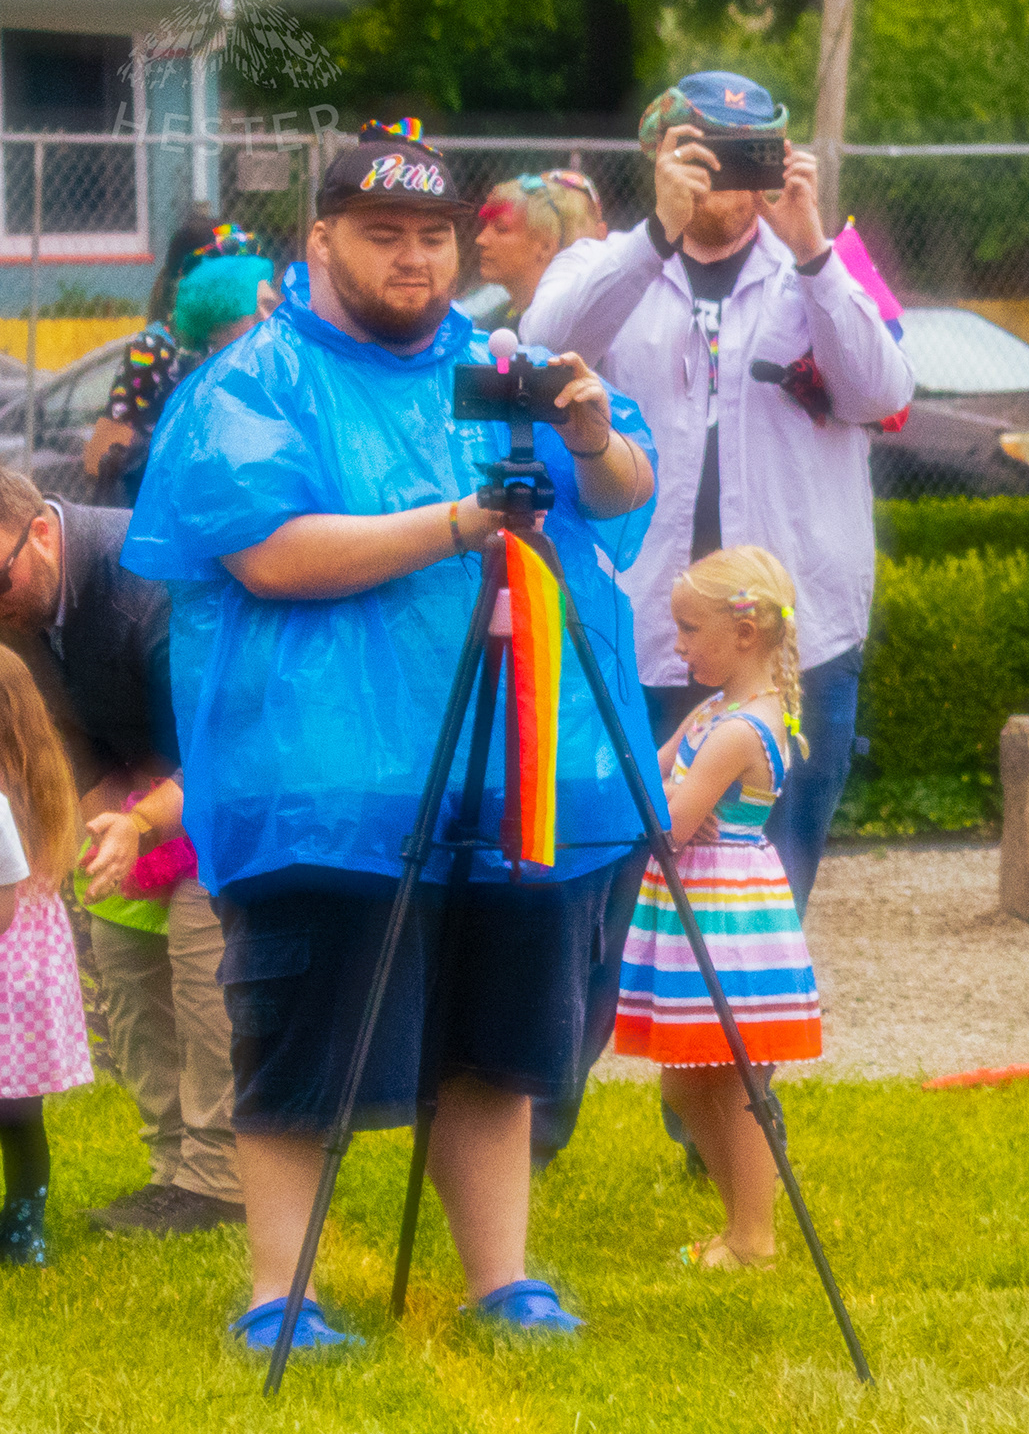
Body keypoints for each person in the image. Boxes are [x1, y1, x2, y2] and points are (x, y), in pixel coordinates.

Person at [121, 121, 657, 1358]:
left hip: (512, 764)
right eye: (382, 236)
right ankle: (279, 1291)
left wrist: (583, 432)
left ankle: (504, 1279)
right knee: (302, 1038)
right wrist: (463, 521)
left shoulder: (503, 360)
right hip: (325, 778)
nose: (413, 260)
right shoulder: (251, 382)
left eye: (433, 237)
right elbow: (272, 553)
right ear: (321, 242)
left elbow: (624, 493)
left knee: (498, 1034)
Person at [523, 73, 909, 915]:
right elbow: (541, 346)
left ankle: (738, 1048)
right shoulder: (607, 263)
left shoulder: (824, 272)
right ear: (658, 157)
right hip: (642, 629)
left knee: (765, 897)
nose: (726, 178)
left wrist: (811, 252)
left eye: (749, 155)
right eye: (704, 154)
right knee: (617, 888)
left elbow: (882, 392)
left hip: (790, 641)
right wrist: (656, 234)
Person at [0, 466, 235, 1236]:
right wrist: (108, 822)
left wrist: (145, 823)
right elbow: (61, 728)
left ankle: (220, 1177)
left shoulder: (146, 583)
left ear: (40, 535)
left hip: (220, 786)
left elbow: (221, 743)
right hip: (133, 792)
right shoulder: (22, 606)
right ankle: (172, 1168)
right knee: (129, 971)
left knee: (205, 974)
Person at [614, 549, 823, 1270]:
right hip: (695, 906)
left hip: (728, 919)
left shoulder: (740, 729)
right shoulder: (714, 711)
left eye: (688, 629)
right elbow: (651, 773)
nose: (677, 645)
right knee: (684, 1077)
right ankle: (738, 1225)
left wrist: (668, 801)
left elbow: (664, 821)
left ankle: (754, 1238)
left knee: (734, 1079)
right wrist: (664, 796)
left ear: (744, 632)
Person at [0, 650, 95, 1264]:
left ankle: (22, 1227)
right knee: (18, 1111)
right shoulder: (32, 774)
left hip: (6, 952)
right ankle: (24, 1228)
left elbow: (3, 899)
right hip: (29, 957)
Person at [78, 210, 253, 504]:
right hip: (162, 515)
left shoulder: (244, 342)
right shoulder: (155, 348)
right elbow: (99, 459)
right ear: (189, 280)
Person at [469, 171, 603, 326]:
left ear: (546, 247)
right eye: (485, 227)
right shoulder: (488, 316)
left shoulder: (564, 326)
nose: (481, 240)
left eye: (501, 229)